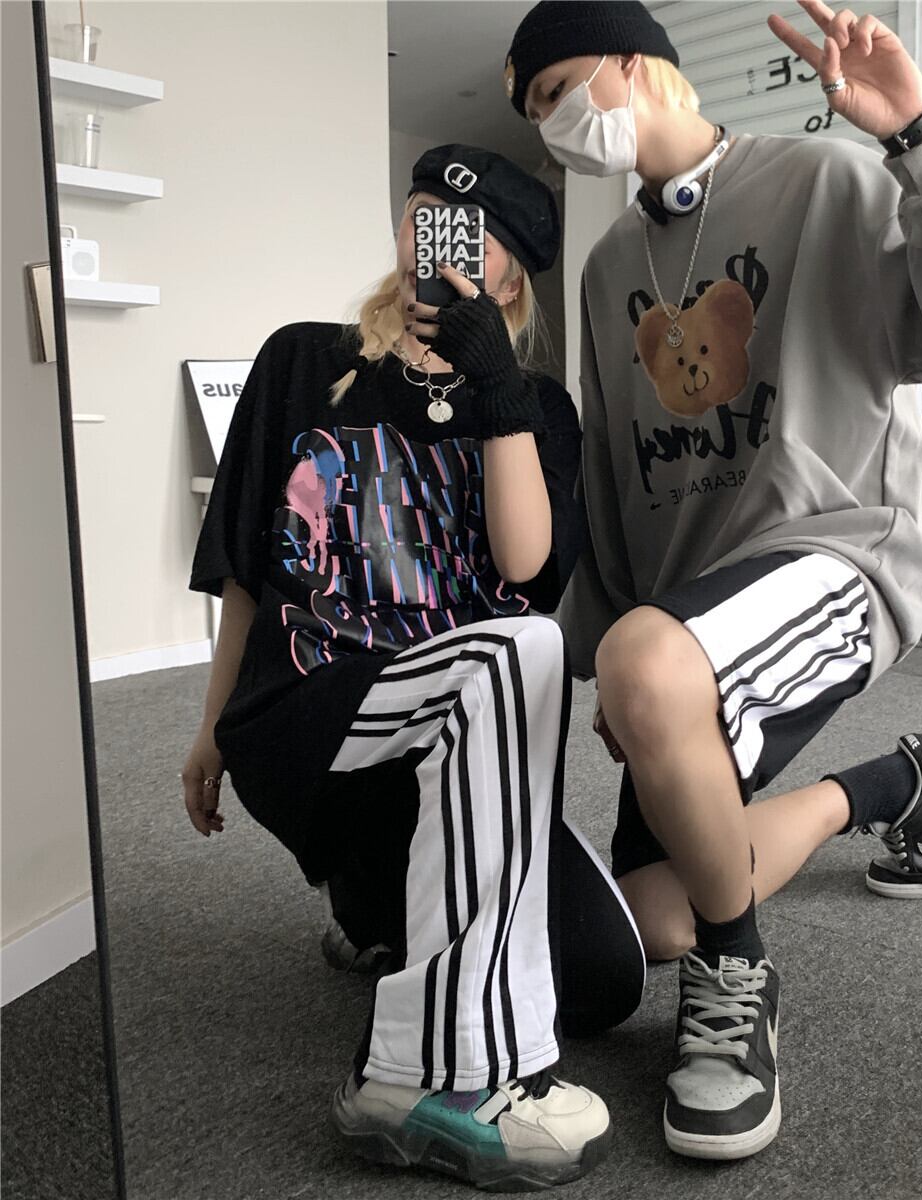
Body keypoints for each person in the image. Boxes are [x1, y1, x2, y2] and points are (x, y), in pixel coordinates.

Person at [505, 0, 922, 1162]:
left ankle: (739, 982)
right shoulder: (608, 267)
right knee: (652, 916)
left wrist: (921, 137)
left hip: (840, 553)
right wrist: (624, 663)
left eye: (558, 88)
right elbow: (613, 473)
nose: (552, 121)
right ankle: (898, 784)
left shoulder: (824, 180)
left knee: (701, 908)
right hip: (686, 617)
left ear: (636, 64)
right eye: (532, 111)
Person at [183, 144, 644, 1190]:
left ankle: (373, 907)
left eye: (469, 233)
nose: (433, 242)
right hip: (315, 706)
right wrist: (211, 727)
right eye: (422, 214)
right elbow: (249, 569)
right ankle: (438, 1074)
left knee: (603, 981)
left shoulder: (537, 408)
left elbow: (524, 568)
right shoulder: (302, 360)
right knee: (522, 652)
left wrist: (496, 390)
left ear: (511, 277)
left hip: (459, 739)